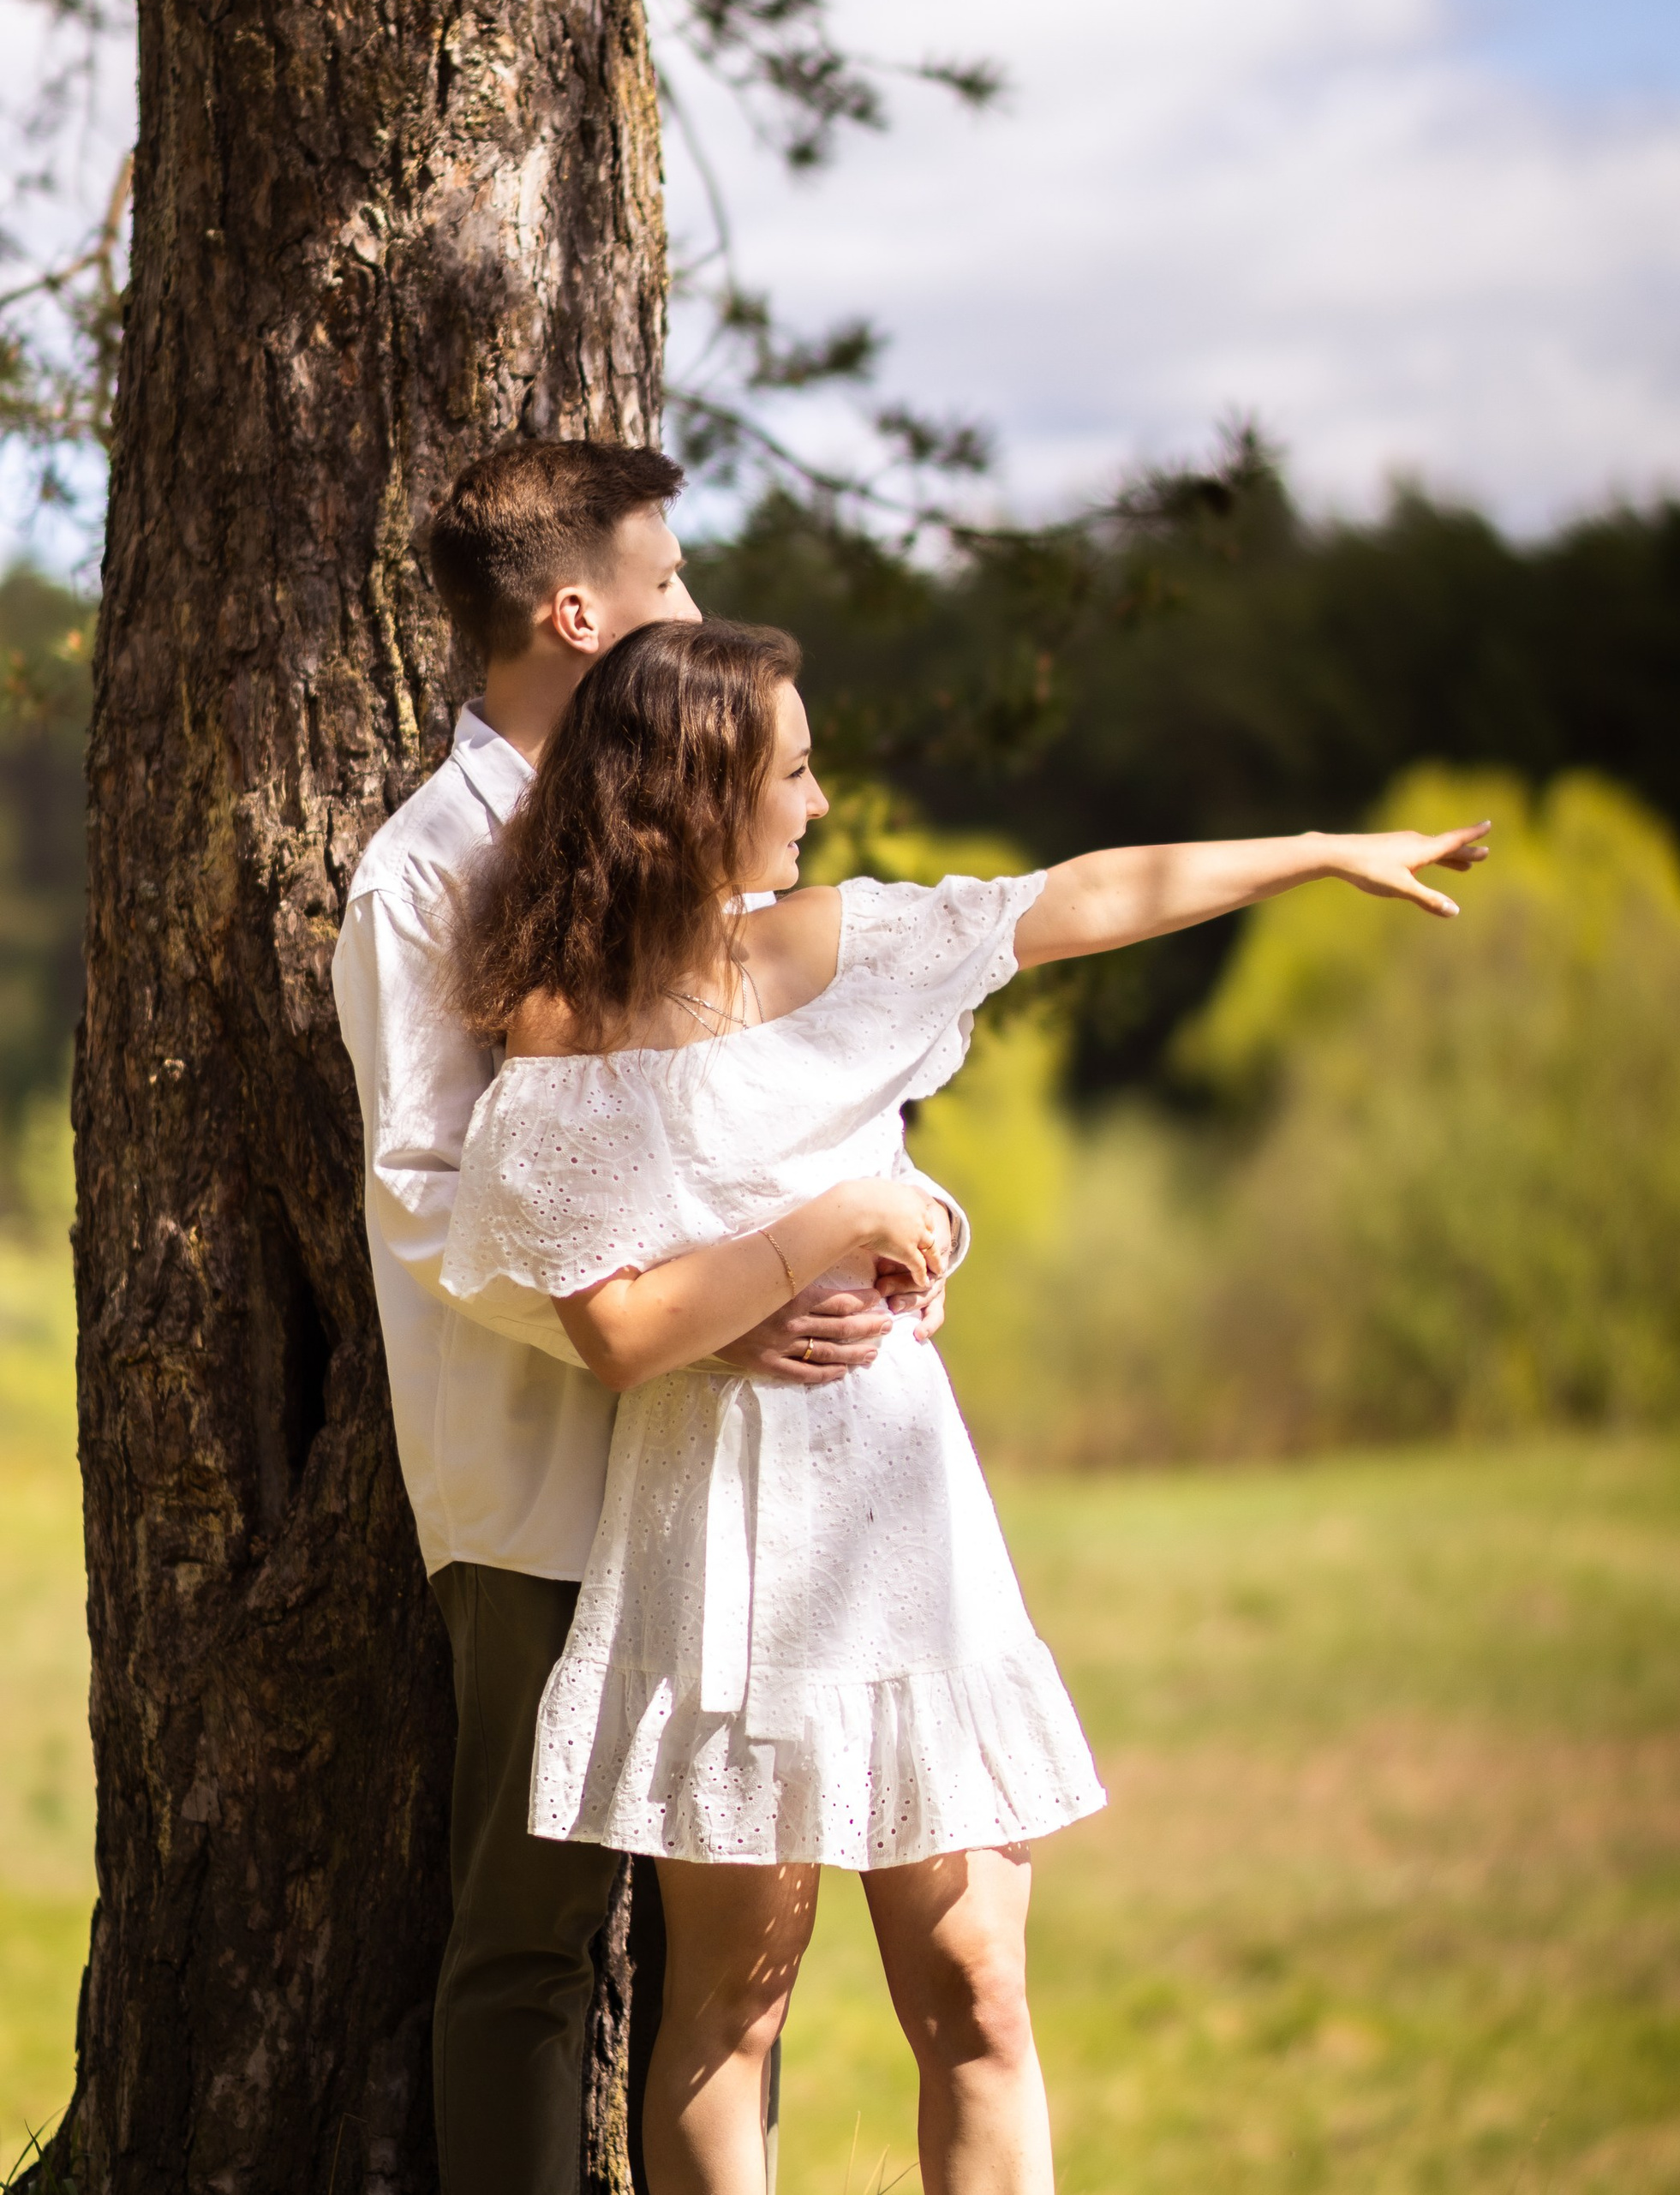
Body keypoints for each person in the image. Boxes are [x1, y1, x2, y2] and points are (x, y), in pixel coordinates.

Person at [439, 618, 1492, 2193]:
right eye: (790, 770)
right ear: (694, 792)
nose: (814, 798)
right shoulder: (568, 1019)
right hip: (717, 1533)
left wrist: (1322, 851)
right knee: (732, 2006)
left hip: (900, 1509)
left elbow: (1080, 896)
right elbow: (619, 1333)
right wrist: (838, 1220)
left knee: (980, 1994)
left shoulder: (847, 947)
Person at [331, 441, 954, 2195]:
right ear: (576, 610)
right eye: (669, 584)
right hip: (543, 1482)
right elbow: (436, 1201)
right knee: (529, 1933)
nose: (696, 611)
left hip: (736, 1474)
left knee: (727, 1940)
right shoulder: (423, 877)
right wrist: (685, 1319)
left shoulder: (679, 827)